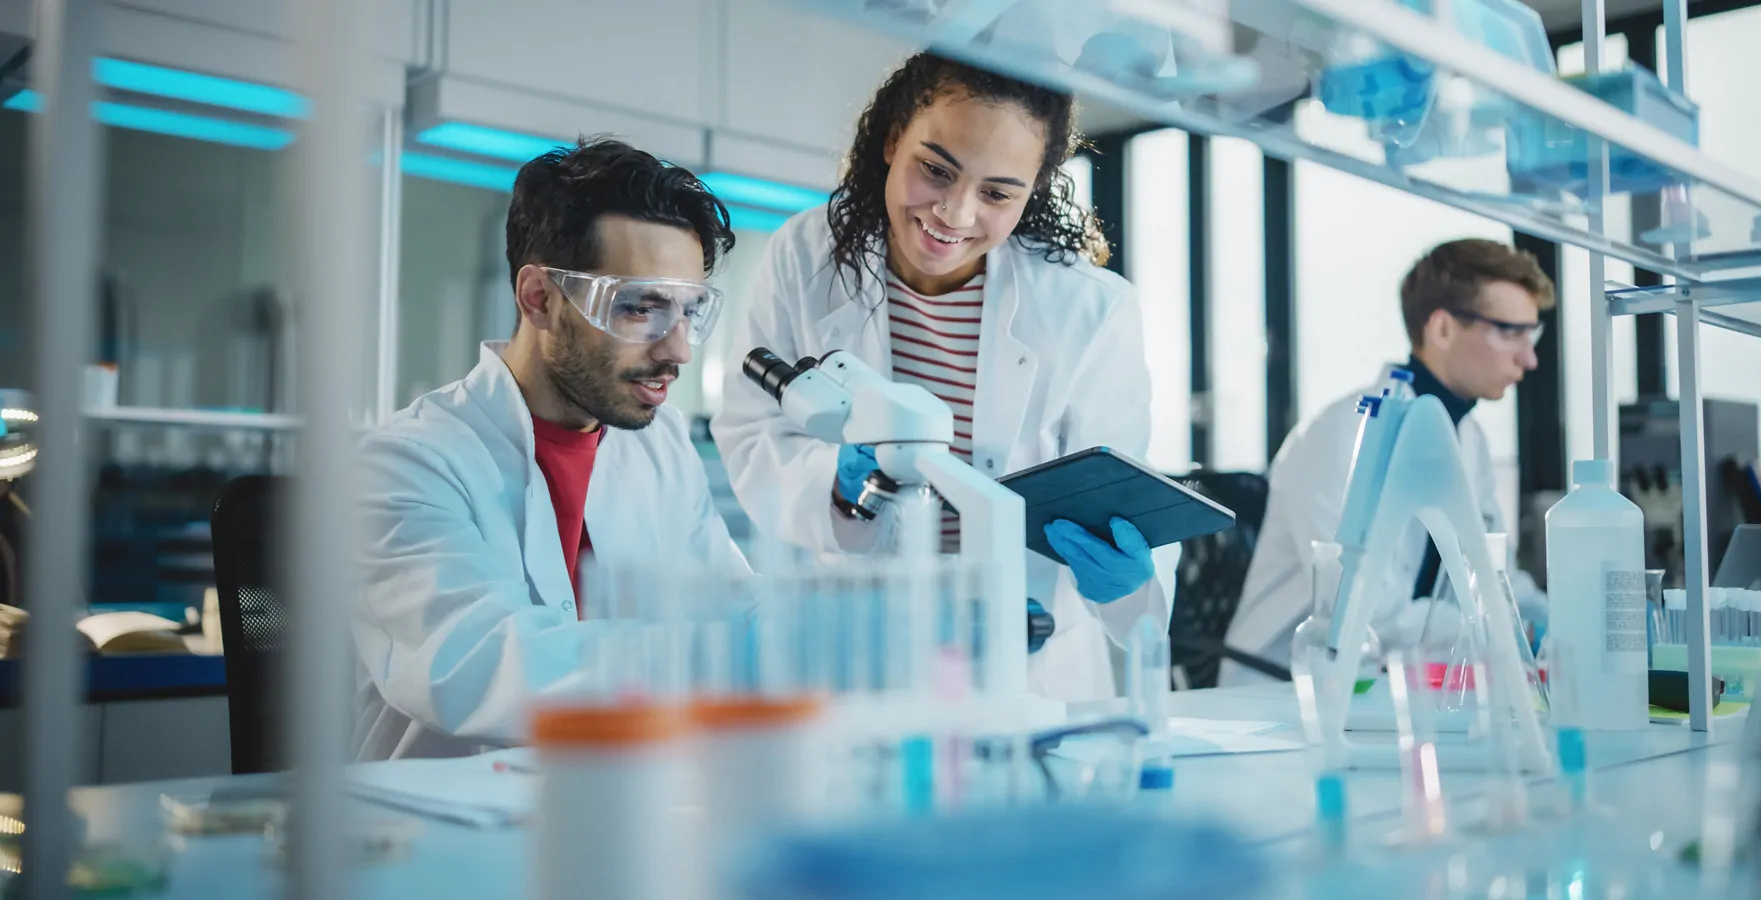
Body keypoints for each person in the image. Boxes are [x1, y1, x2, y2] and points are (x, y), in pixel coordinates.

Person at [710, 53, 1174, 702]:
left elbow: (1120, 482)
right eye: (936, 170)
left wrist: (1126, 579)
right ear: (893, 137)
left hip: (1032, 665)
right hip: (859, 650)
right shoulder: (805, 255)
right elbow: (751, 431)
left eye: (997, 193)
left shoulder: (1090, 308)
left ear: (1033, 190)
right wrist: (839, 488)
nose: (954, 214)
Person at [351, 138, 747, 760]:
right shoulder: (409, 463)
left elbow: (733, 604)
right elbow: (482, 661)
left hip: (625, 805)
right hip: (442, 826)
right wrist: (719, 655)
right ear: (538, 297)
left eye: (689, 311)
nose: (679, 351)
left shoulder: (662, 446)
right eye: (640, 307)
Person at [1221, 239, 1553, 686]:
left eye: (1533, 335)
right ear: (1442, 329)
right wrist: (1506, 634)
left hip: (1397, 686)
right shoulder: (1347, 432)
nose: (1528, 358)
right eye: (1511, 332)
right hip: (1281, 695)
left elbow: (1496, 581)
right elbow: (1369, 611)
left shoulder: (1468, 440)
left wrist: (1557, 627)